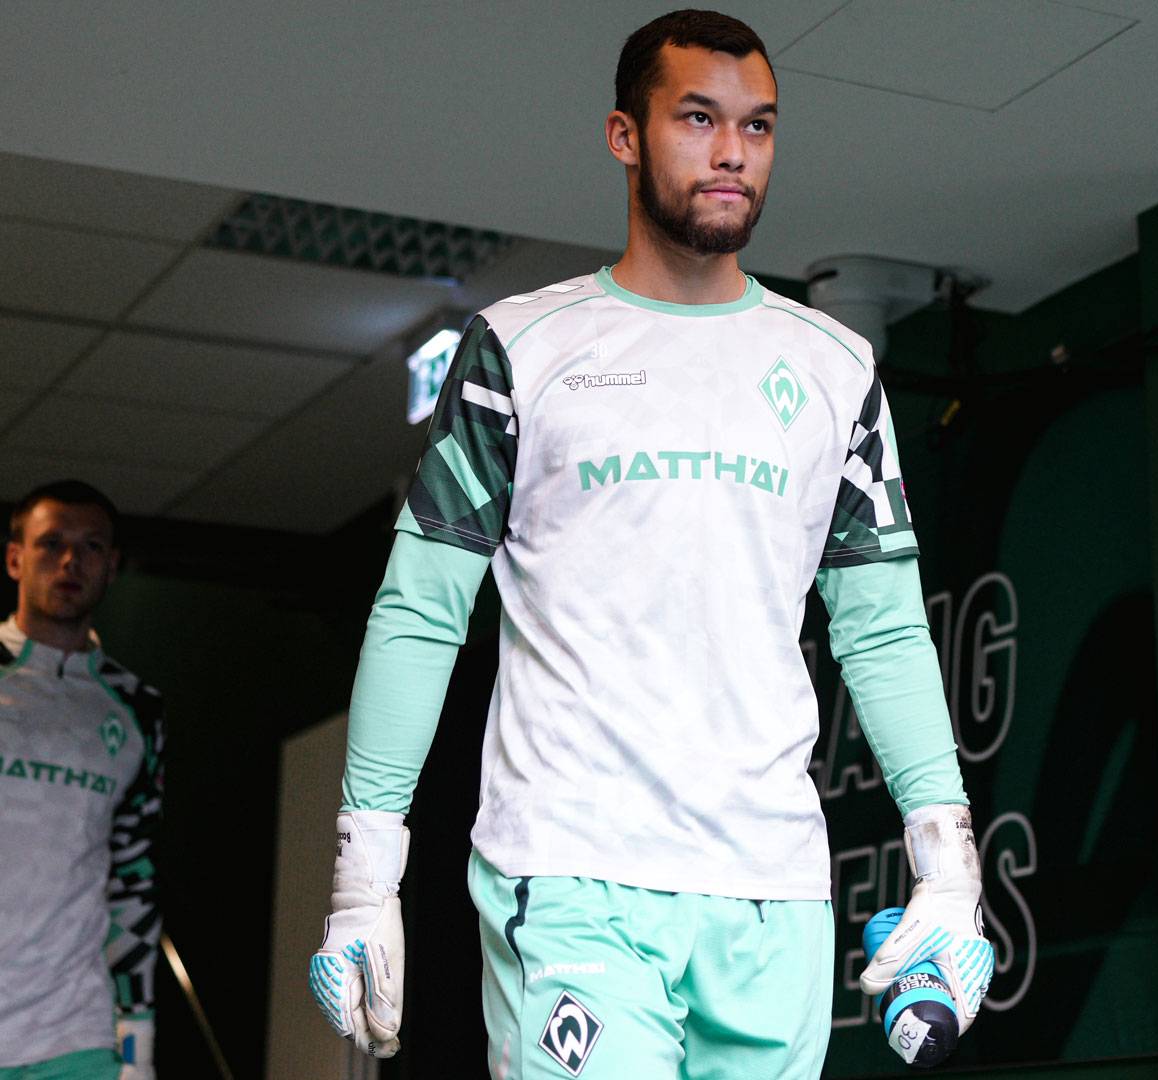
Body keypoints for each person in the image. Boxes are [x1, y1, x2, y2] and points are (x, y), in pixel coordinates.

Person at [308, 9, 993, 1076]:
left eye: (759, 127)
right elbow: (418, 612)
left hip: (773, 887)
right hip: (573, 872)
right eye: (699, 119)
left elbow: (886, 633)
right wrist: (364, 879)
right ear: (625, 136)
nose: (732, 152)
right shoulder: (519, 351)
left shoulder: (836, 370)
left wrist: (949, 872)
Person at [0, 480, 164, 1080]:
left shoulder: (135, 706)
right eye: (51, 544)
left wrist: (137, 1045)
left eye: (91, 547)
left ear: (112, 566)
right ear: (16, 557)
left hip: (75, 1034)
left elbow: (135, 878)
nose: (70, 560)